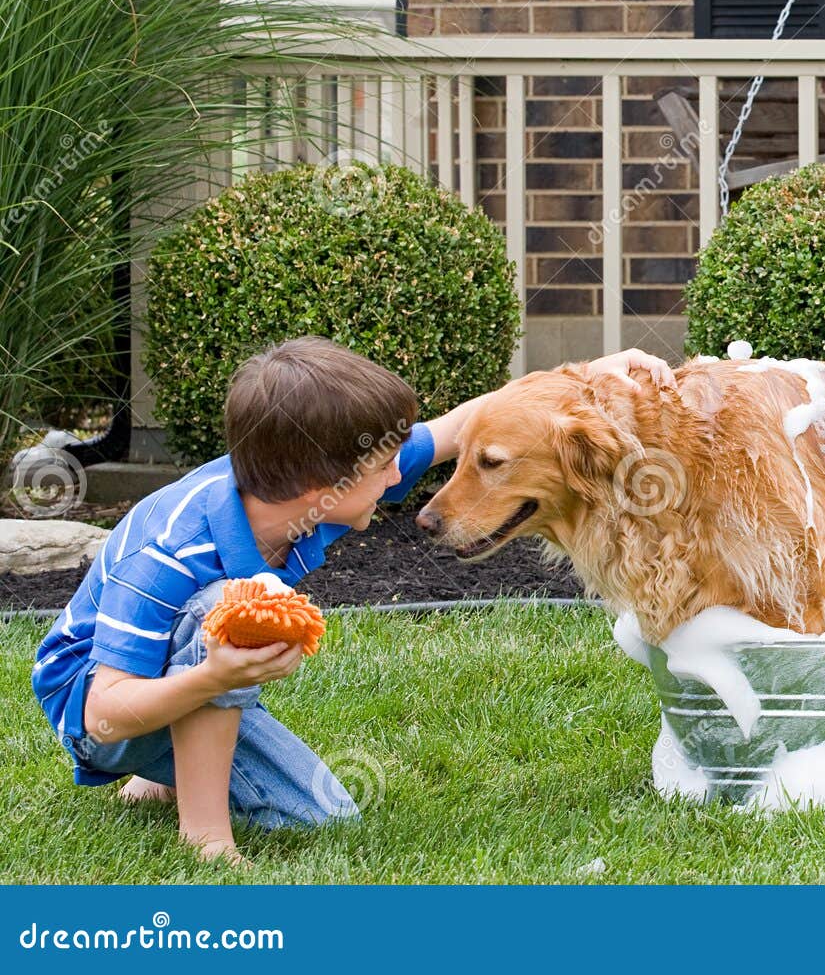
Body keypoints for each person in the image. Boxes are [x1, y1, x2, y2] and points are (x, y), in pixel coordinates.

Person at [31, 337, 673, 862]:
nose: (400, 476)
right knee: (221, 606)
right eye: (385, 466)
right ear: (323, 486)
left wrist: (590, 376)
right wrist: (213, 678)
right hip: (96, 708)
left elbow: (458, 427)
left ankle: (164, 768)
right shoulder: (171, 552)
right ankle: (206, 836)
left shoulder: (306, 494)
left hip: (168, 687)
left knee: (322, 817)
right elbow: (101, 714)